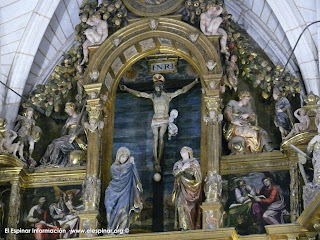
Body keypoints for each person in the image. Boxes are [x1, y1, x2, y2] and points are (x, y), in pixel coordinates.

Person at [120, 74, 198, 173]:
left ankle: (159, 160)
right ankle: (156, 159)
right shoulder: (153, 96)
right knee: (155, 137)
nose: (157, 87)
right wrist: (126, 89)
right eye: (155, 85)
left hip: (164, 118)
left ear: (162, 86)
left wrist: (194, 82)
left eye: (159, 85)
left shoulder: (168, 96)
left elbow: (182, 90)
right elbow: (139, 94)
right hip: (156, 118)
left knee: (161, 137)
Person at [105, 147, 143, 233]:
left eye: (126, 157)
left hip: (125, 192)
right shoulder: (114, 167)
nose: (124, 159)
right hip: (112, 193)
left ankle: (121, 230)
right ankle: (111, 229)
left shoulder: (129, 167)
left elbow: (136, 176)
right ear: (118, 156)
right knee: (110, 210)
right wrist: (130, 163)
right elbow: (120, 172)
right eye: (122, 157)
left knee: (124, 211)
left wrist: (132, 164)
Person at [40, 102, 86, 167]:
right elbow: (63, 133)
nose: (68, 113)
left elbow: (84, 129)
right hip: (68, 138)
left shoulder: (81, 116)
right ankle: (46, 162)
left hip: (77, 140)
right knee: (53, 143)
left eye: (69, 110)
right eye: (67, 112)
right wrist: (67, 125)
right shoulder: (69, 119)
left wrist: (76, 135)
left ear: (72, 108)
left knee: (58, 145)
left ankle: (55, 163)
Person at [172, 146, 201, 230]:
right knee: (180, 204)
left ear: (188, 152)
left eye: (184, 151)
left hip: (191, 189)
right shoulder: (177, 164)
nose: (182, 153)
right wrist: (183, 168)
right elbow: (175, 173)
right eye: (181, 151)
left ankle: (190, 227)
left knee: (190, 208)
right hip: (181, 188)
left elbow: (197, 176)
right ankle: (182, 227)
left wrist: (187, 170)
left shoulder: (193, 162)